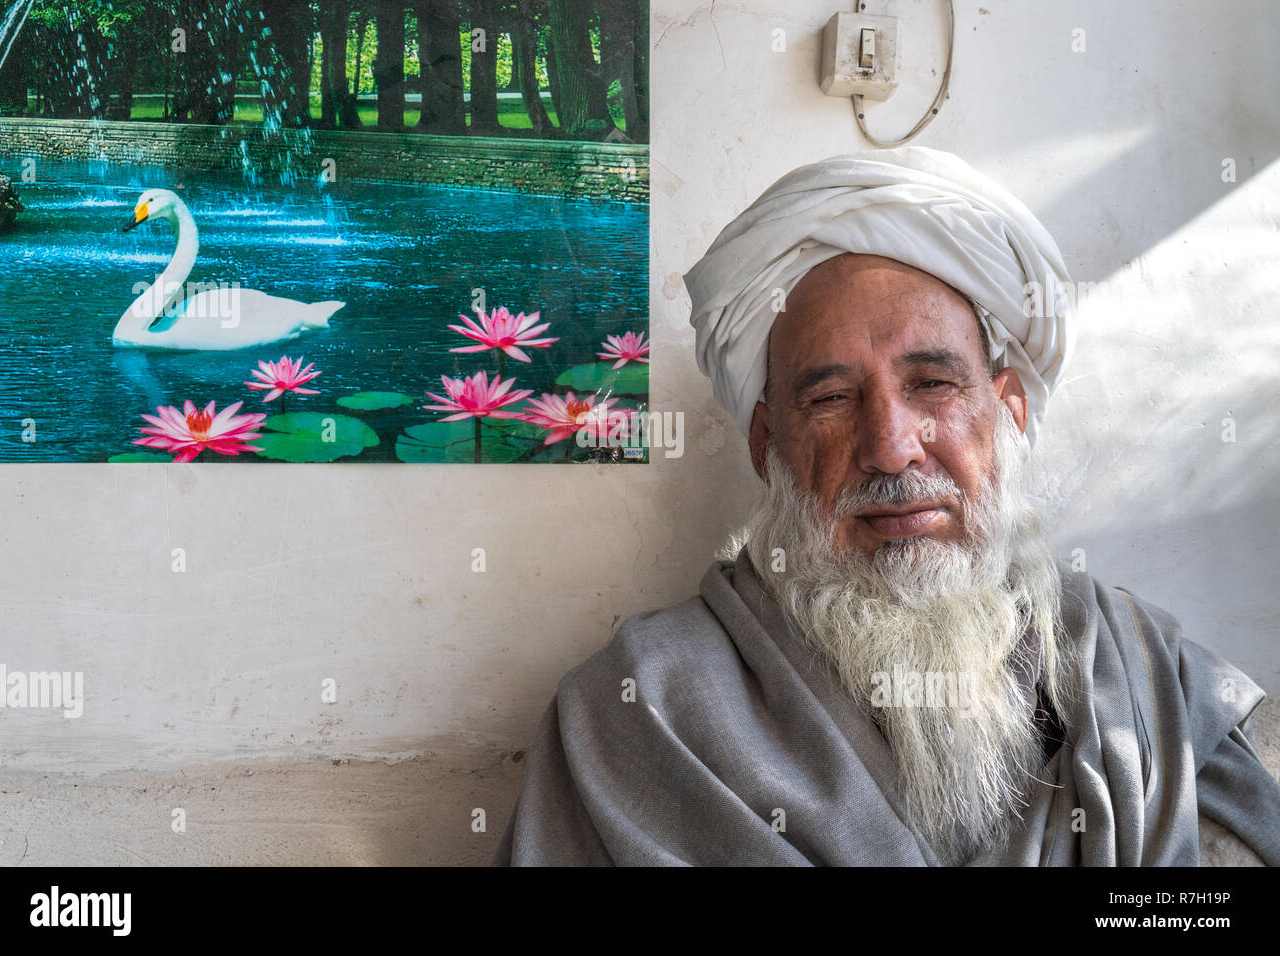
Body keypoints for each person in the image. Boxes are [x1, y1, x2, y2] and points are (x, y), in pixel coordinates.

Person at [493, 147, 1280, 866]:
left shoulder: (1143, 677)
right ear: (768, 441)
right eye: (832, 397)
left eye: (933, 384)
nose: (892, 447)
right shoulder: (639, 714)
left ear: (1007, 411)